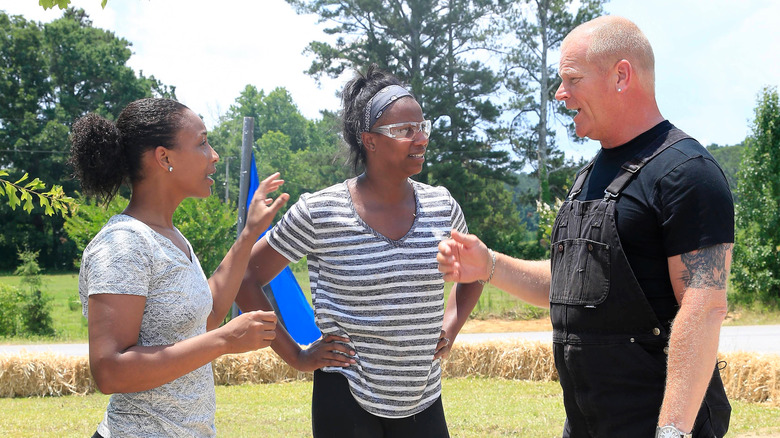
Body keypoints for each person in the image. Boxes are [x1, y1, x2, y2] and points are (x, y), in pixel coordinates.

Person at [437, 16, 733, 438]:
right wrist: (489, 264)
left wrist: (672, 431)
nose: (561, 94)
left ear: (621, 75)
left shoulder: (687, 174)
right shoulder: (589, 177)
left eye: (572, 79)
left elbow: (704, 309)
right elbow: (569, 283)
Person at [235, 64, 483, 438]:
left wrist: (450, 326)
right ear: (369, 140)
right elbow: (244, 276)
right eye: (404, 131)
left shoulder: (442, 206)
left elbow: (476, 272)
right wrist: (296, 355)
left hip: (424, 397)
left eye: (422, 127)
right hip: (345, 399)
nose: (421, 139)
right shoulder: (321, 211)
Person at [69, 97, 288, 437]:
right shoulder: (123, 245)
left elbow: (207, 317)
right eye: (202, 143)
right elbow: (110, 371)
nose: (214, 155)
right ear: (164, 157)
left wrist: (248, 236)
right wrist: (224, 342)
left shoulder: (171, 237)